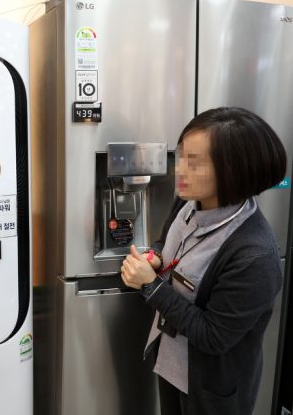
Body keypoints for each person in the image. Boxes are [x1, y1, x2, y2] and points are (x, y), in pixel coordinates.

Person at [121, 107, 286, 415]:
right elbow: (167, 240)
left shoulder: (254, 257)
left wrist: (151, 286)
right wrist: (157, 257)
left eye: (194, 163)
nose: (180, 170)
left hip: (210, 390)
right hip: (170, 363)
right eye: (181, 156)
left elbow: (213, 336)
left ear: (235, 171)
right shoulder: (189, 200)